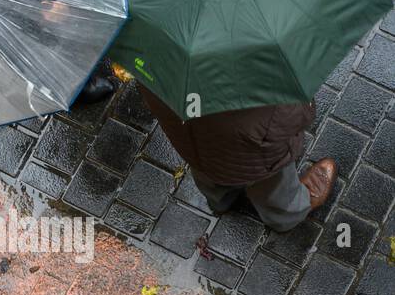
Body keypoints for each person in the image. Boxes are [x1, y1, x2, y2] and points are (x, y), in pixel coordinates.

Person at [137, 86, 335, 233]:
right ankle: (285, 214)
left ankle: (220, 199)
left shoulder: (148, 45)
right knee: (268, 175)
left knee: (201, 154)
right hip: (251, 138)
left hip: (177, 115)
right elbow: (294, 116)